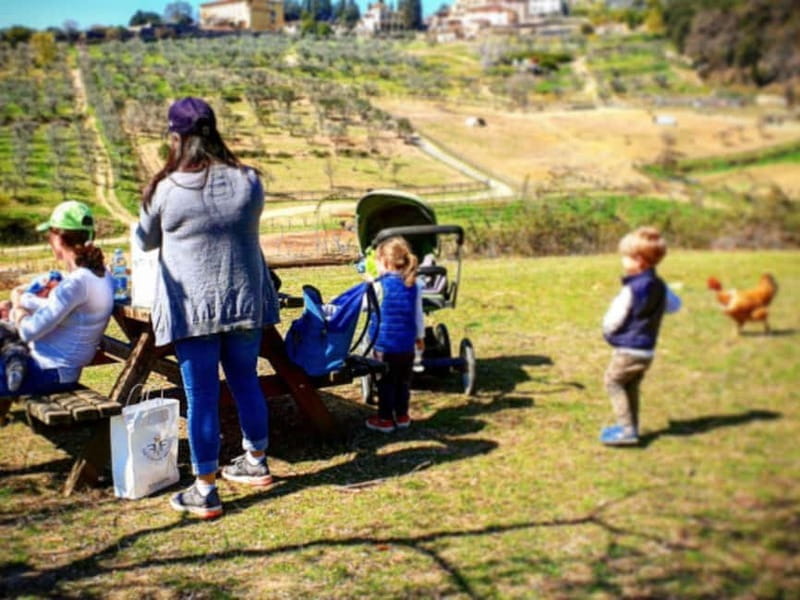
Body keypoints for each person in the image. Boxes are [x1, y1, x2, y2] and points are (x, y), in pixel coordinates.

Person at [136, 96, 280, 519]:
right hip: (244, 302)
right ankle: (255, 462)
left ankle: (204, 488)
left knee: (201, 397)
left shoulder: (166, 189)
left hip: (192, 309)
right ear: (214, 131)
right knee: (245, 380)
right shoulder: (250, 180)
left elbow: (145, 240)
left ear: (176, 137)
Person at [0, 200, 114, 398]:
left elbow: (28, 331)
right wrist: (25, 302)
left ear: (59, 239)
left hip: (47, 372)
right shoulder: (102, 276)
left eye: (50, 235)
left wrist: (18, 307)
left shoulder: (77, 283)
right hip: (53, 368)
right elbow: (67, 313)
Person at [600, 226, 681, 446]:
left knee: (613, 382)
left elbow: (615, 317)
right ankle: (631, 427)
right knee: (630, 386)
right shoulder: (660, 286)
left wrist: (607, 330)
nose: (622, 261)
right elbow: (675, 306)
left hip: (628, 349)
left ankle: (626, 430)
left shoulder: (632, 289)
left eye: (625, 257)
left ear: (638, 260)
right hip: (647, 350)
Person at [365, 236, 425, 433]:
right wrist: (420, 337)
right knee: (403, 382)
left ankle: (384, 419)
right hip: (406, 345)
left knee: (385, 383)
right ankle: (402, 415)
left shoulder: (378, 285)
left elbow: (366, 307)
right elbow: (418, 315)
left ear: (384, 261)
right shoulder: (414, 284)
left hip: (384, 346)